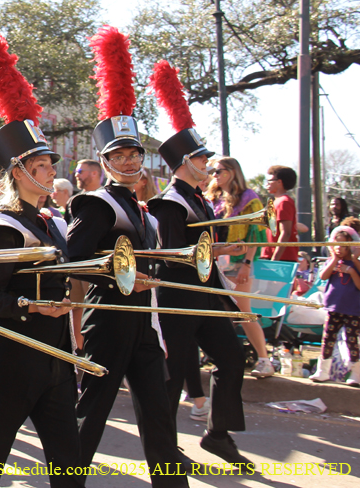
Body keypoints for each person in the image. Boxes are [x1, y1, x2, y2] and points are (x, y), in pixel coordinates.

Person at [0, 24, 81, 488]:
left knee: (69, 465)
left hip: (54, 355)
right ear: (19, 172)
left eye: (52, 164)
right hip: (10, 355)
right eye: (43, 166)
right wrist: (31, 306)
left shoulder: (53, 222)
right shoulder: (1, 228)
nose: (52, 172)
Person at [69, 26, 186, 487]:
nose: (132, 160)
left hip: (142, 321)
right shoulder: (94, 203)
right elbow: (73, 259)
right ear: (105, 160)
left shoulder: (143, 208)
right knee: (92, 411)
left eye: (136, 152)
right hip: (110, 316)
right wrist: (121, 277)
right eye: (121, 154)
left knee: (158, 410)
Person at [147, 60, 254, 469]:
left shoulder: (200, 199)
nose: (207, 162)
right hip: (180, 297)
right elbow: (175, 253)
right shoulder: (169, 201)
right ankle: (167, 446)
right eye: (200, 156)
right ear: (182, 162)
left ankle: (219, 433)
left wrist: (220, 250)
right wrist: (213, 252)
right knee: (173, 376)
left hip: (207, 293)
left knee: (231, 358)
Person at [208, 156, 274, 378]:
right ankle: (221, 358)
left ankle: (265, 360)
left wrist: (247, 263)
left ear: (232, 172)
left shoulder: (249, 199)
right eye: (213, 171)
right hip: (215, 262)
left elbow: (256, 235)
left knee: (243, 312)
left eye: (218, 171)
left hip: (239, 264)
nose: (214, 175)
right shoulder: (213, 198)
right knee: (217, 313)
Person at [309, 227, 360, 385]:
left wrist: (352, 270)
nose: (339, 248)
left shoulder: (355, 263)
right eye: (336, 244)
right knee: (328, 338)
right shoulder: (333, 261)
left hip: (352, 309)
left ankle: (356, 373)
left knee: (352, 340)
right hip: (334, 307)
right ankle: (323, 370)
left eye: (343, 245)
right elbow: (324, 276)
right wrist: (333, 259)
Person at [261, 165, 299, 262]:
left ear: (279, 182)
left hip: (282, 258)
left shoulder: (284, 202)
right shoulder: (276, 201)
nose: (267, 184)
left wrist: (275, 259)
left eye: (270, 181)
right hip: (270, 256)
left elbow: (285, 232)